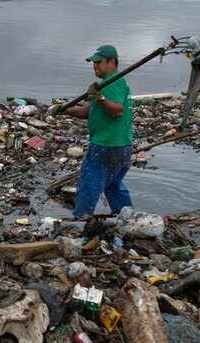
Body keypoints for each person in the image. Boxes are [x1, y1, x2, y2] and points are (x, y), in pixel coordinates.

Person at [50, 45, 133, 219]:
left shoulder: (112, 81)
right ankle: (127, 218)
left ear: (111, 62)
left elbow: (118, 110)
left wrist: (100, 98)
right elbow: (89, 110)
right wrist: (66, 110)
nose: (95, 66)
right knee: (113, 184)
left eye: (99, 62)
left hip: (106, 145)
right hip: (122, 145)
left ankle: (81, 220)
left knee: (89, 183)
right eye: (93, 63)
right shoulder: (108, 83)